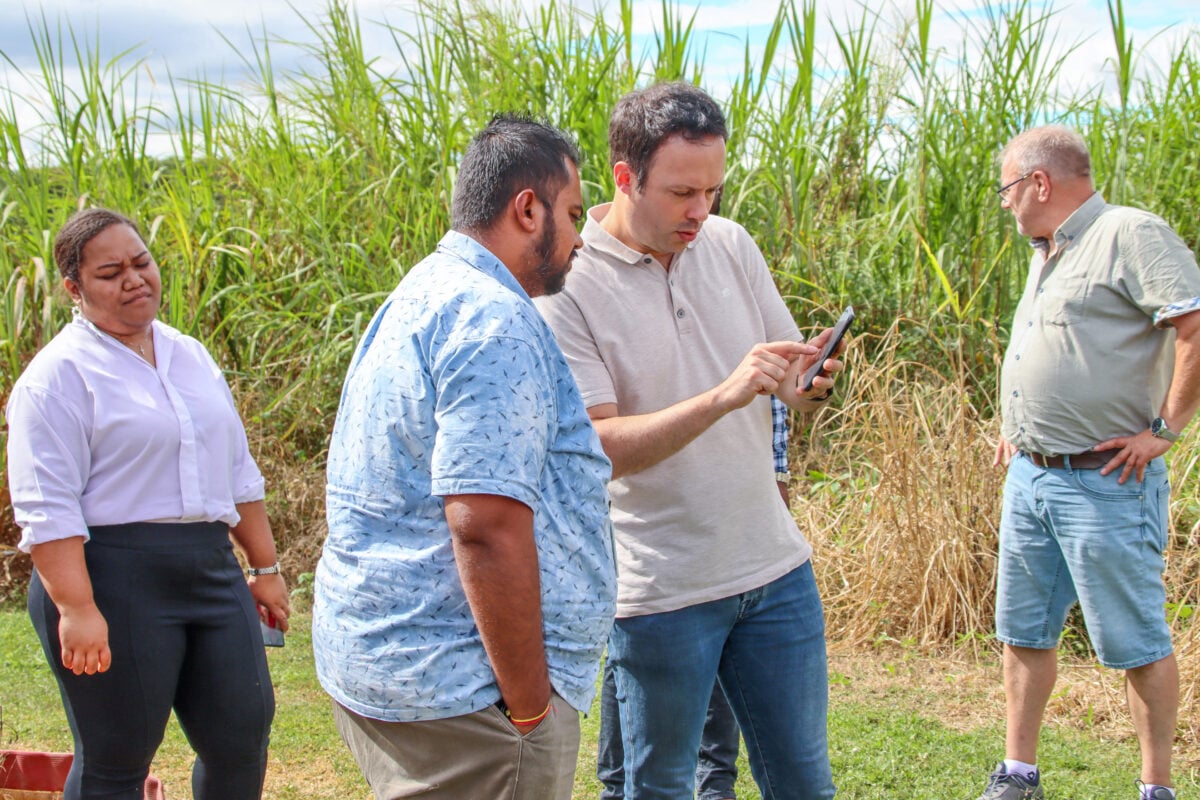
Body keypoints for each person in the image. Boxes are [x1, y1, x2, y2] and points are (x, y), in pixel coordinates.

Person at [536, 81, 844, 800]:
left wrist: (803, 382)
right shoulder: (566, 284)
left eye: (712, 190)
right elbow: (600, 446)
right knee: (658, 789)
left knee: (806, 785)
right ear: (623, 176)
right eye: (682, 193)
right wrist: (724, 394)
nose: (701, 211)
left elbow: (779, 380)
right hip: (662, 593)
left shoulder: (730, 242)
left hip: (776, 571)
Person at [310, 114, 616, 800]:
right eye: (571, 215)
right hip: (469, 696)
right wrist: (529, 706)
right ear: (526, 208)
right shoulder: (493, 319)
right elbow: (484, 522)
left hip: (401, 662)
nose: (580, 239)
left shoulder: (421, 291)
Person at [5, 207, 289, 800]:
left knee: (242, 733)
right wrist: (77, 608)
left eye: (142, 263)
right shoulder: (55, 378)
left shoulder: (190, 355)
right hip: (111, 576)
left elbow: (237, 472)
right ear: (73, 289)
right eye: (111, 272)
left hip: (210, 568)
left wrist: (264, 570)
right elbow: (47, 507)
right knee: (117, 757)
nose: (135, 279)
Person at [983, 125, 1200, 800]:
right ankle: (1019, 774)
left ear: (1039, 184)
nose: (1005, 205)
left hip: (1106, 482)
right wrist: (1018, 425)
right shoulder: (1048, 250)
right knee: (1022, 630)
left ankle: (1154, 787)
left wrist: (1164, 430)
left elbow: (1193, 327)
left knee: (1135, 640)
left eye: (1007, 190)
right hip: (1032, 476)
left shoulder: (1130, 233)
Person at [596, 396, 793, 800]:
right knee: (631, 664)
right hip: (648, 539)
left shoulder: (747, 347)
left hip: (736, 531)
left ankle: (716, 785)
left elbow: (775, 447)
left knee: (717, 647)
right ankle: (618, 787)